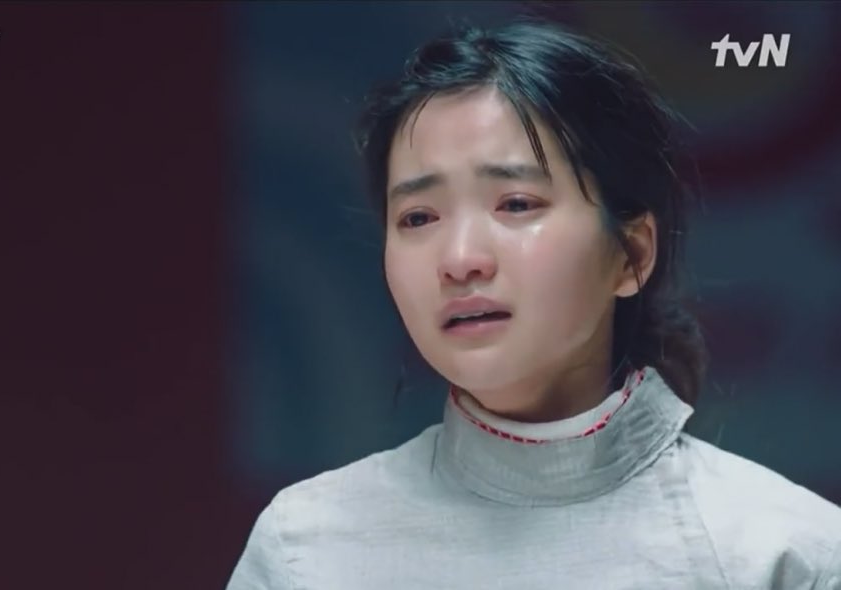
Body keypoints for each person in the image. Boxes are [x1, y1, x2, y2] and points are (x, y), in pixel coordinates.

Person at [227, 18, 841, 590]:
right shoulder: (306, 551)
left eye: (516, 204)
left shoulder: (782, 554)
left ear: (630, 254)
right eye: (418, 217)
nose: (460, 258)